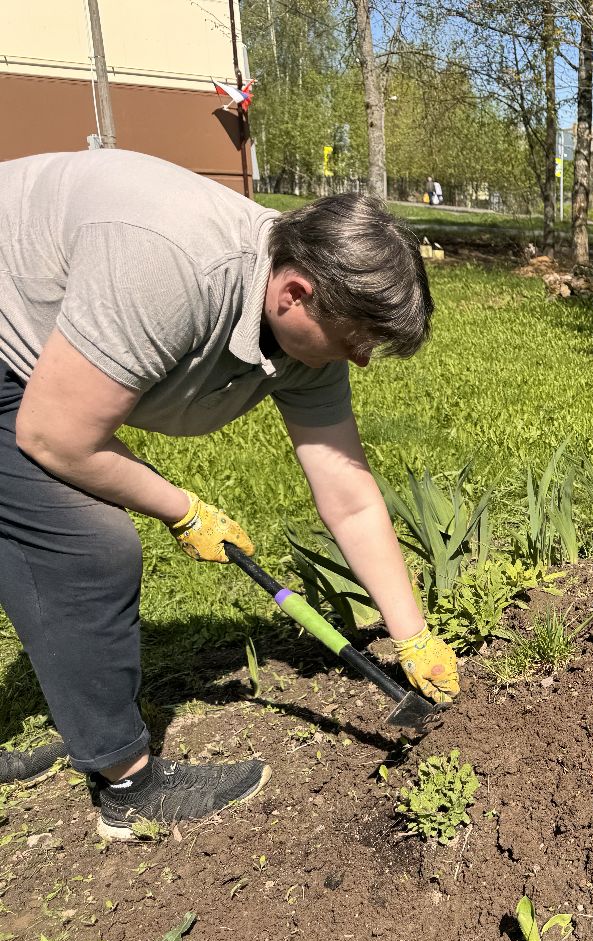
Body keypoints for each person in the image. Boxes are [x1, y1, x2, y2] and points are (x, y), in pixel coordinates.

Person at [0, 149, 461, 839]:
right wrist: (182, 509)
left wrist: (412, 633)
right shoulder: (173, 267)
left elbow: (347, 490)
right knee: (89, 547)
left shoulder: (308, 326)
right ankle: (128, 787)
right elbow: (56, 435)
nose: (362, 360)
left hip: (42, 330)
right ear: (295, 293)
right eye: (355, 340)